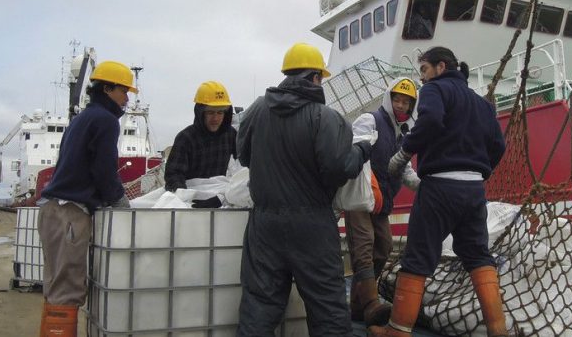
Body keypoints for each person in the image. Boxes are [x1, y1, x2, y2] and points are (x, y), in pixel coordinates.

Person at [369, 47, 507, 337]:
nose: (422, 77)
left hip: (440, 188)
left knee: (418, 257)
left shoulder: (434, 89)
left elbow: (430, 120)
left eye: (424, 69)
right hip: (474, 191)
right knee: (478, 255)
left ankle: (398, 331)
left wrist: (404, 153)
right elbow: (498, 145)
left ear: (440, 67)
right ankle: (498, 329)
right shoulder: (482, 104)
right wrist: (480, 171)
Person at [236, 42, 372, 337]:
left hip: (264, 225)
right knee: (327, 308)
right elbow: (338, 168)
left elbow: (244, 156)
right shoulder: (325, 117)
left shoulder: (256, 110)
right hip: (312, 225)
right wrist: (361, 150)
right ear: (315, 77)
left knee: (259, 305)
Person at [38, 61, 136, 337]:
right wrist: (119, 200)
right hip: (70, 212)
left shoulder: (81, 119)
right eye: (123, 91)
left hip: (53, 210)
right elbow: (103, 169)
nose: (127, 99)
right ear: (107, 89)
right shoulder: (105, 121)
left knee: (55, 285)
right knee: (67, 289)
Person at [345, 77, 420, 326]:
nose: (401, 105)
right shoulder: (370, 120)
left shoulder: (405, 133)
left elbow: (405, 170)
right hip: (360, 197)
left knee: (384, 246)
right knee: (364, 244)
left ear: (411, 106)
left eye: (406, 102)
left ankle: (358, 307)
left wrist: (424, 185)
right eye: (397, 100)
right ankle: (371, 303)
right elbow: (354, 151)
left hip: (381, 202)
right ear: (389, 99)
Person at [164, 81, 237, 208]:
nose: (215, 118)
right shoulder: (185, 138)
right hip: (191, 201)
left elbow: (244, 168)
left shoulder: (231, 135)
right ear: (200, 112)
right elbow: (174, 175)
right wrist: (187, 199)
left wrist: (222, 198)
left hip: (220, 199)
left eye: (220, 113)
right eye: (210, 112)